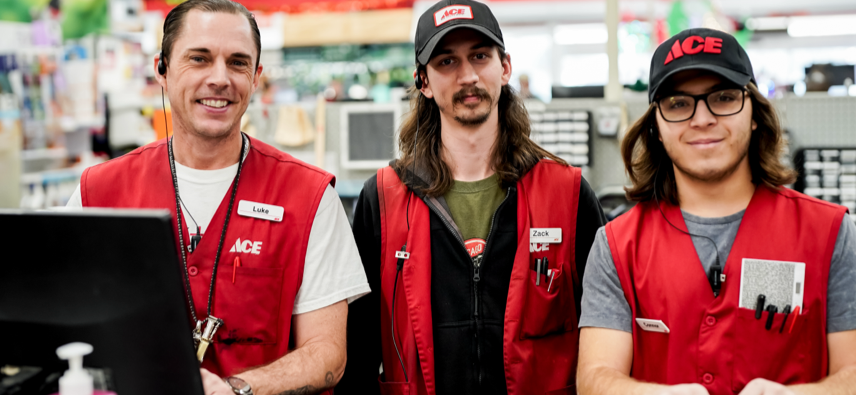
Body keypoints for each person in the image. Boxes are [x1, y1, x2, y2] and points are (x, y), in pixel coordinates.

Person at [65, 1, 370, 394]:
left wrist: (235, 389)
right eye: (199, 58)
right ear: (162, 69)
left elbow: (328, 353)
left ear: (257, 77)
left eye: (238, 62)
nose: (220, 78)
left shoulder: (309, 198)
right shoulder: (97, 193)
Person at [336, 1, 606, 394]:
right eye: (446, 61)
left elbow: (603, 335)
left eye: (480, 56)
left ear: (505, 67)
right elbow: (357, 351)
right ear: (423, 82)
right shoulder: (383, 198)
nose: (467, 76)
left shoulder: (567, 193)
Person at [576, 28, 856, 395]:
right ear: (656, 127)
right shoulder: (617, 246)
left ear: (754, 112)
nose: (702, 118)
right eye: (678, 103)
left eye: (724, 98)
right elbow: (595, 377)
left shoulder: (830, 233)